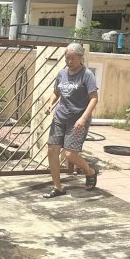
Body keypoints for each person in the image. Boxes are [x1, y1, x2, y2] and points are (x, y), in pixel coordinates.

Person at [43, 43, 99, 198]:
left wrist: (83, 118)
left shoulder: (87, 75)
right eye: (67, 58)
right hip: (60, 117)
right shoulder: (62, 73)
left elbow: (94, 99)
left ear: (80, 58)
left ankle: (90, 171)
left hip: (77, 119)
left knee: (70, 154)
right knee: (51, 150)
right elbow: (56, 92)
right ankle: (57, 187)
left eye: (72, 58)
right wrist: (50, 104)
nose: (69, 61)